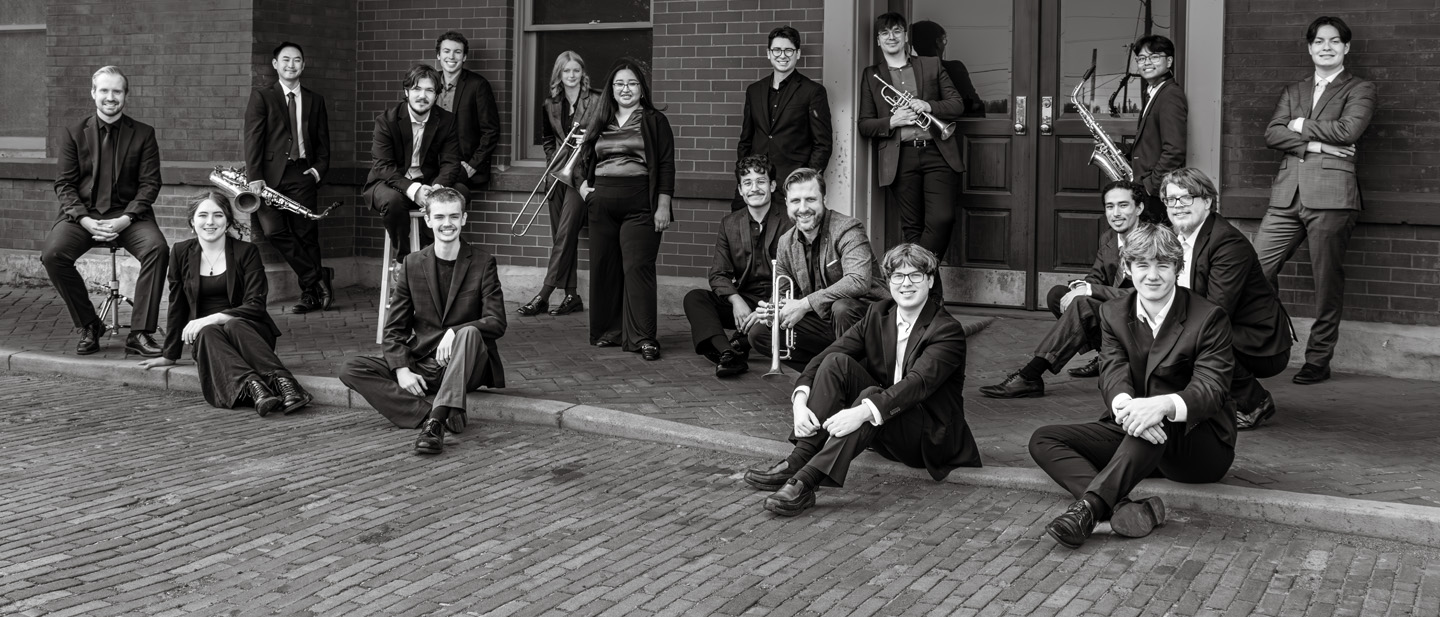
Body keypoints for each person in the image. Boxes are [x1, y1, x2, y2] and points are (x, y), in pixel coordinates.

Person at [1029, 223, 1236, 549]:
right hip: (1138, 431)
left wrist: (1163, 405)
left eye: (1163, 265)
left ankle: (1088, 511)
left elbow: (1211, 389)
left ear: (1178, 269)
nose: (1152, 275)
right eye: (1142, 265)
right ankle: (1122, 507)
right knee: (1045, 439)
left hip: (1198, 446)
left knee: (1153, 418)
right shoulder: (1113, 312)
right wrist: (1123, 405)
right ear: (1127, 268)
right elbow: (1112, 371)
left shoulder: (1208, 318)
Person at [743, 244, 981, 517]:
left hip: (927, 438)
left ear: (929, 280)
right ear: (888, 281)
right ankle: (798, 460)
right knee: (837, 364)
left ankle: (806, 482)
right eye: (898, 276)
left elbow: (916, 385)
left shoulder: (946, 330)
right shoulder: (878, 314)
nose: (906, 284)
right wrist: (799, 400)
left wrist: (860, 412)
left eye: (915, 276)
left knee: (870, 394)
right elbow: (827, 356)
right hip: (885, 425)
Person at [1255, 15, 1377, 386]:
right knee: (1252, 271)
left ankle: (1318, 359)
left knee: (1326, 284)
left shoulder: (1360, 88)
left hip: (1332, 197)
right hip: (1286, 194)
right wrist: (1317, 143)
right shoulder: (1294, 90)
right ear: (1309, 48)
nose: (1326, 47)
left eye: (1334, 41)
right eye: (1319, 41)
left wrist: (1298, 125)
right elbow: (1271, 133)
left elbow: (1349, 130)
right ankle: (1264, 343)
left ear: (1346, 47)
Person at [339, 188, 507, 455]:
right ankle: (429, 414)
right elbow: (394, 329)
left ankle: (436, 422)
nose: (447, 223)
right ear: (428, 220)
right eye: (439, 216)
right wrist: (401, 370)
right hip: (424, 364)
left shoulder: (483, 262)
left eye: (454, 216)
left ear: (464, 219)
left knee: (471, 333)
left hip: (467, 364)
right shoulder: (412, 263)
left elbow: (496, 321)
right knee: (351, 368)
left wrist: (455, 331)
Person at [139, 192, 313, 417]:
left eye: (217, 215)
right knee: (209, 332)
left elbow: (256, 305)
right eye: (203, 215)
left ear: (228, 221)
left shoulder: (246, 252)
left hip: (249, 334)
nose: (210, 222)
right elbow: (177, 305)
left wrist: (215, 317)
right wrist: (169, 354)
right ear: (192, 221)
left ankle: (284, 384)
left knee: (232, 325)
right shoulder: (181, 252)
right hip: (210, 342)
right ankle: (256, 389)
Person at [43, 65, 167, 358]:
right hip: (82, 216)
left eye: (117, 91)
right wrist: (85, 220)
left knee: (157, 250)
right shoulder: (74, 133)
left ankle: (140, 333)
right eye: (104, 91)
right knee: (53, 255)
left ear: (125, 95)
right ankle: (89, 325)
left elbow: (150, 184)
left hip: (130, 216)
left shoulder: (144, 134)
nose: (110, 97)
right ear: (93, 93)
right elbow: (64, 184)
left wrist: (125, 219)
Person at [980, 181, 1145, 398]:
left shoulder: (1152, 240)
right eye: (1109, 206)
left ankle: (1030, 376)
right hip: (1116, 312)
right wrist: (1080, 287)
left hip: (1140, 320)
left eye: (1123, 205)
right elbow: (1096, 276)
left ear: (1139, 208)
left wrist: (1088, 291)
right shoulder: (1109, 238)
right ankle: (1105, 354)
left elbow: (1146, 293)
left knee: (1082, 302)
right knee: (1059, 295)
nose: (1115, 213)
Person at [1161, 168, 1293, 430]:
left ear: (1207, 201)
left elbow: (1216, 311)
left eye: (1187, 198)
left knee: (1195, 335)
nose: (1178, 206)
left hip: (1259, 340)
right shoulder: (1175, 238)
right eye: (1171, 199)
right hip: (1222, 326)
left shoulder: (1227, 243)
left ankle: (1254, 402)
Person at [859, 12, 966, 300]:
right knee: (913, 229)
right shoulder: (872, 75)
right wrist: (892, 122)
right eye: (885, 33)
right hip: (901, 158)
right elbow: (865, 124)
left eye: (896, 31)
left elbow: (957, 104)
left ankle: (913, 274)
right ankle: (929, 299)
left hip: (937, 153)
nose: (891, 37)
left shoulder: (931, 65)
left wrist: (927, 105)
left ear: (906, 36)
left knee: (942, 219)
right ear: (878, 40)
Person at [576, 58, 674, 361]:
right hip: (602, 203)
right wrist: (583, 189)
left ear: (641, 88)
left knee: (637, 268)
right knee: (605, 268)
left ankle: (644, 337)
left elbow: (667, 166)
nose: (626, 88)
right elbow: (582, 159)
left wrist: (663, 207)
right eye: (619, 83)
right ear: (611, 89)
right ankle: (610, 331)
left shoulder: (654, 119)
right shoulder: (599, 117)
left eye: (632, 83)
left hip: (641, 204)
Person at [747, 168, 889, 369]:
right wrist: (772, 312)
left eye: (810, 199)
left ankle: (864, 379)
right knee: (760, 333)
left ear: (824, 199)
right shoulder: (785, 243)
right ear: (787, 203)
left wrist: (804, 304)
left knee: (842, 308)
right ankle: (820, 375)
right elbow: (781, 296)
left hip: (868, 320)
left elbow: (858, 281)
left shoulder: (848, 228)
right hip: (825, 322)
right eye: (795, 201)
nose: (803, 208)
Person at [243, 41, 334, 314]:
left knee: (306, 234)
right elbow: (253, 139)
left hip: (302, 173)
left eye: (296, 60)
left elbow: (323, 142)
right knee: (273, 230)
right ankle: (317, 279)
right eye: (285, 60)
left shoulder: (315, 99)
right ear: (275, 64)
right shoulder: (262, 97)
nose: (291, 65)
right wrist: (255, 177)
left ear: (303, 65)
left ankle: (310, 295)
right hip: (268, 179)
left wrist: (317, 171)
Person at [683, 155, 793, 378]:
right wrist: (736, 300)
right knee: (694, 298)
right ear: (741, 190)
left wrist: (769, 308)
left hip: (780, 301)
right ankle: (728, 352)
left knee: (763, 326)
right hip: (746, 300)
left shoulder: (790, 221)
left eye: (761, 181)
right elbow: (718, 274)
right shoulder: (730, 223)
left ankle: (737, 344)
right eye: (747, 183)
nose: (754, 188)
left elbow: (796, 276)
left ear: (772, 186)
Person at [516, 50, 602, 318]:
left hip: (583, 178)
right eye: (566, 71)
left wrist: (587, 140)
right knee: (561, 239)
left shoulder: (597, 100)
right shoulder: (550, 104)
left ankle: (544, 294)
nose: (572, 75)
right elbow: (547, 139)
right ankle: (571, 295)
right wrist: (556, 162)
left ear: (583, 73)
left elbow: (606, 136)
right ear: (559, 75)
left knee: (564, 236)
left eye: (576, 70)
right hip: (558, 175)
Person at [364, 64, 468, 263]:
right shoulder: (387, 121)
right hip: (390, 183)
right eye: (417, 89)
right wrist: (414, 189)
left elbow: (450, 162)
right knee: (393, 201)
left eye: (429, 90)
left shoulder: (447, 121)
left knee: (459, 192)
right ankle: (403, 261)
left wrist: (438, 188)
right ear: (406, 91)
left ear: (436, 95)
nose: (423, 96)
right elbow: (383, 167)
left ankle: (437, 254)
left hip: (430, 183)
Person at [733, 25, 833, 211]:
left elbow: (823, 144)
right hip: (756, 185)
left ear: (798, 54)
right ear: (768, 54)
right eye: (777, 50)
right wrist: (745, 175)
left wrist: (804, 181)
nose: (782, 55)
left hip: (791, 187)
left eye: (788, 50)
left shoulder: (813, 92)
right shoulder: (754, 91)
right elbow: (745, 139)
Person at [1128, 35, 1188, 226]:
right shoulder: (1154, 92)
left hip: (1155, 191)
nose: (1146, 63)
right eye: (1141, 58)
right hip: (1148, 184)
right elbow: (1151, 141)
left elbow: (1175, 150)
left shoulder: (1170, 95)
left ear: (1169, 61)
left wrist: (1150, 187)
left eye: (1154, 57)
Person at [434, 31, 501, 196]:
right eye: (446, 51)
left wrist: (473, 165)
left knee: (442, 198)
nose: (452, 56)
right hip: (432, 163)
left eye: (457, 52)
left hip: (461, 165)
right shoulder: (429, 83)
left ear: (464, 57)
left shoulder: (478, 85)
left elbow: (490, 131)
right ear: (438, 55)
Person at [909, 20, 986, 117]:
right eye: (944, 39)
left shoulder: (907, 70)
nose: (945, 44)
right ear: (937, 42)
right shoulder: (954, 68)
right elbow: (975, 106)